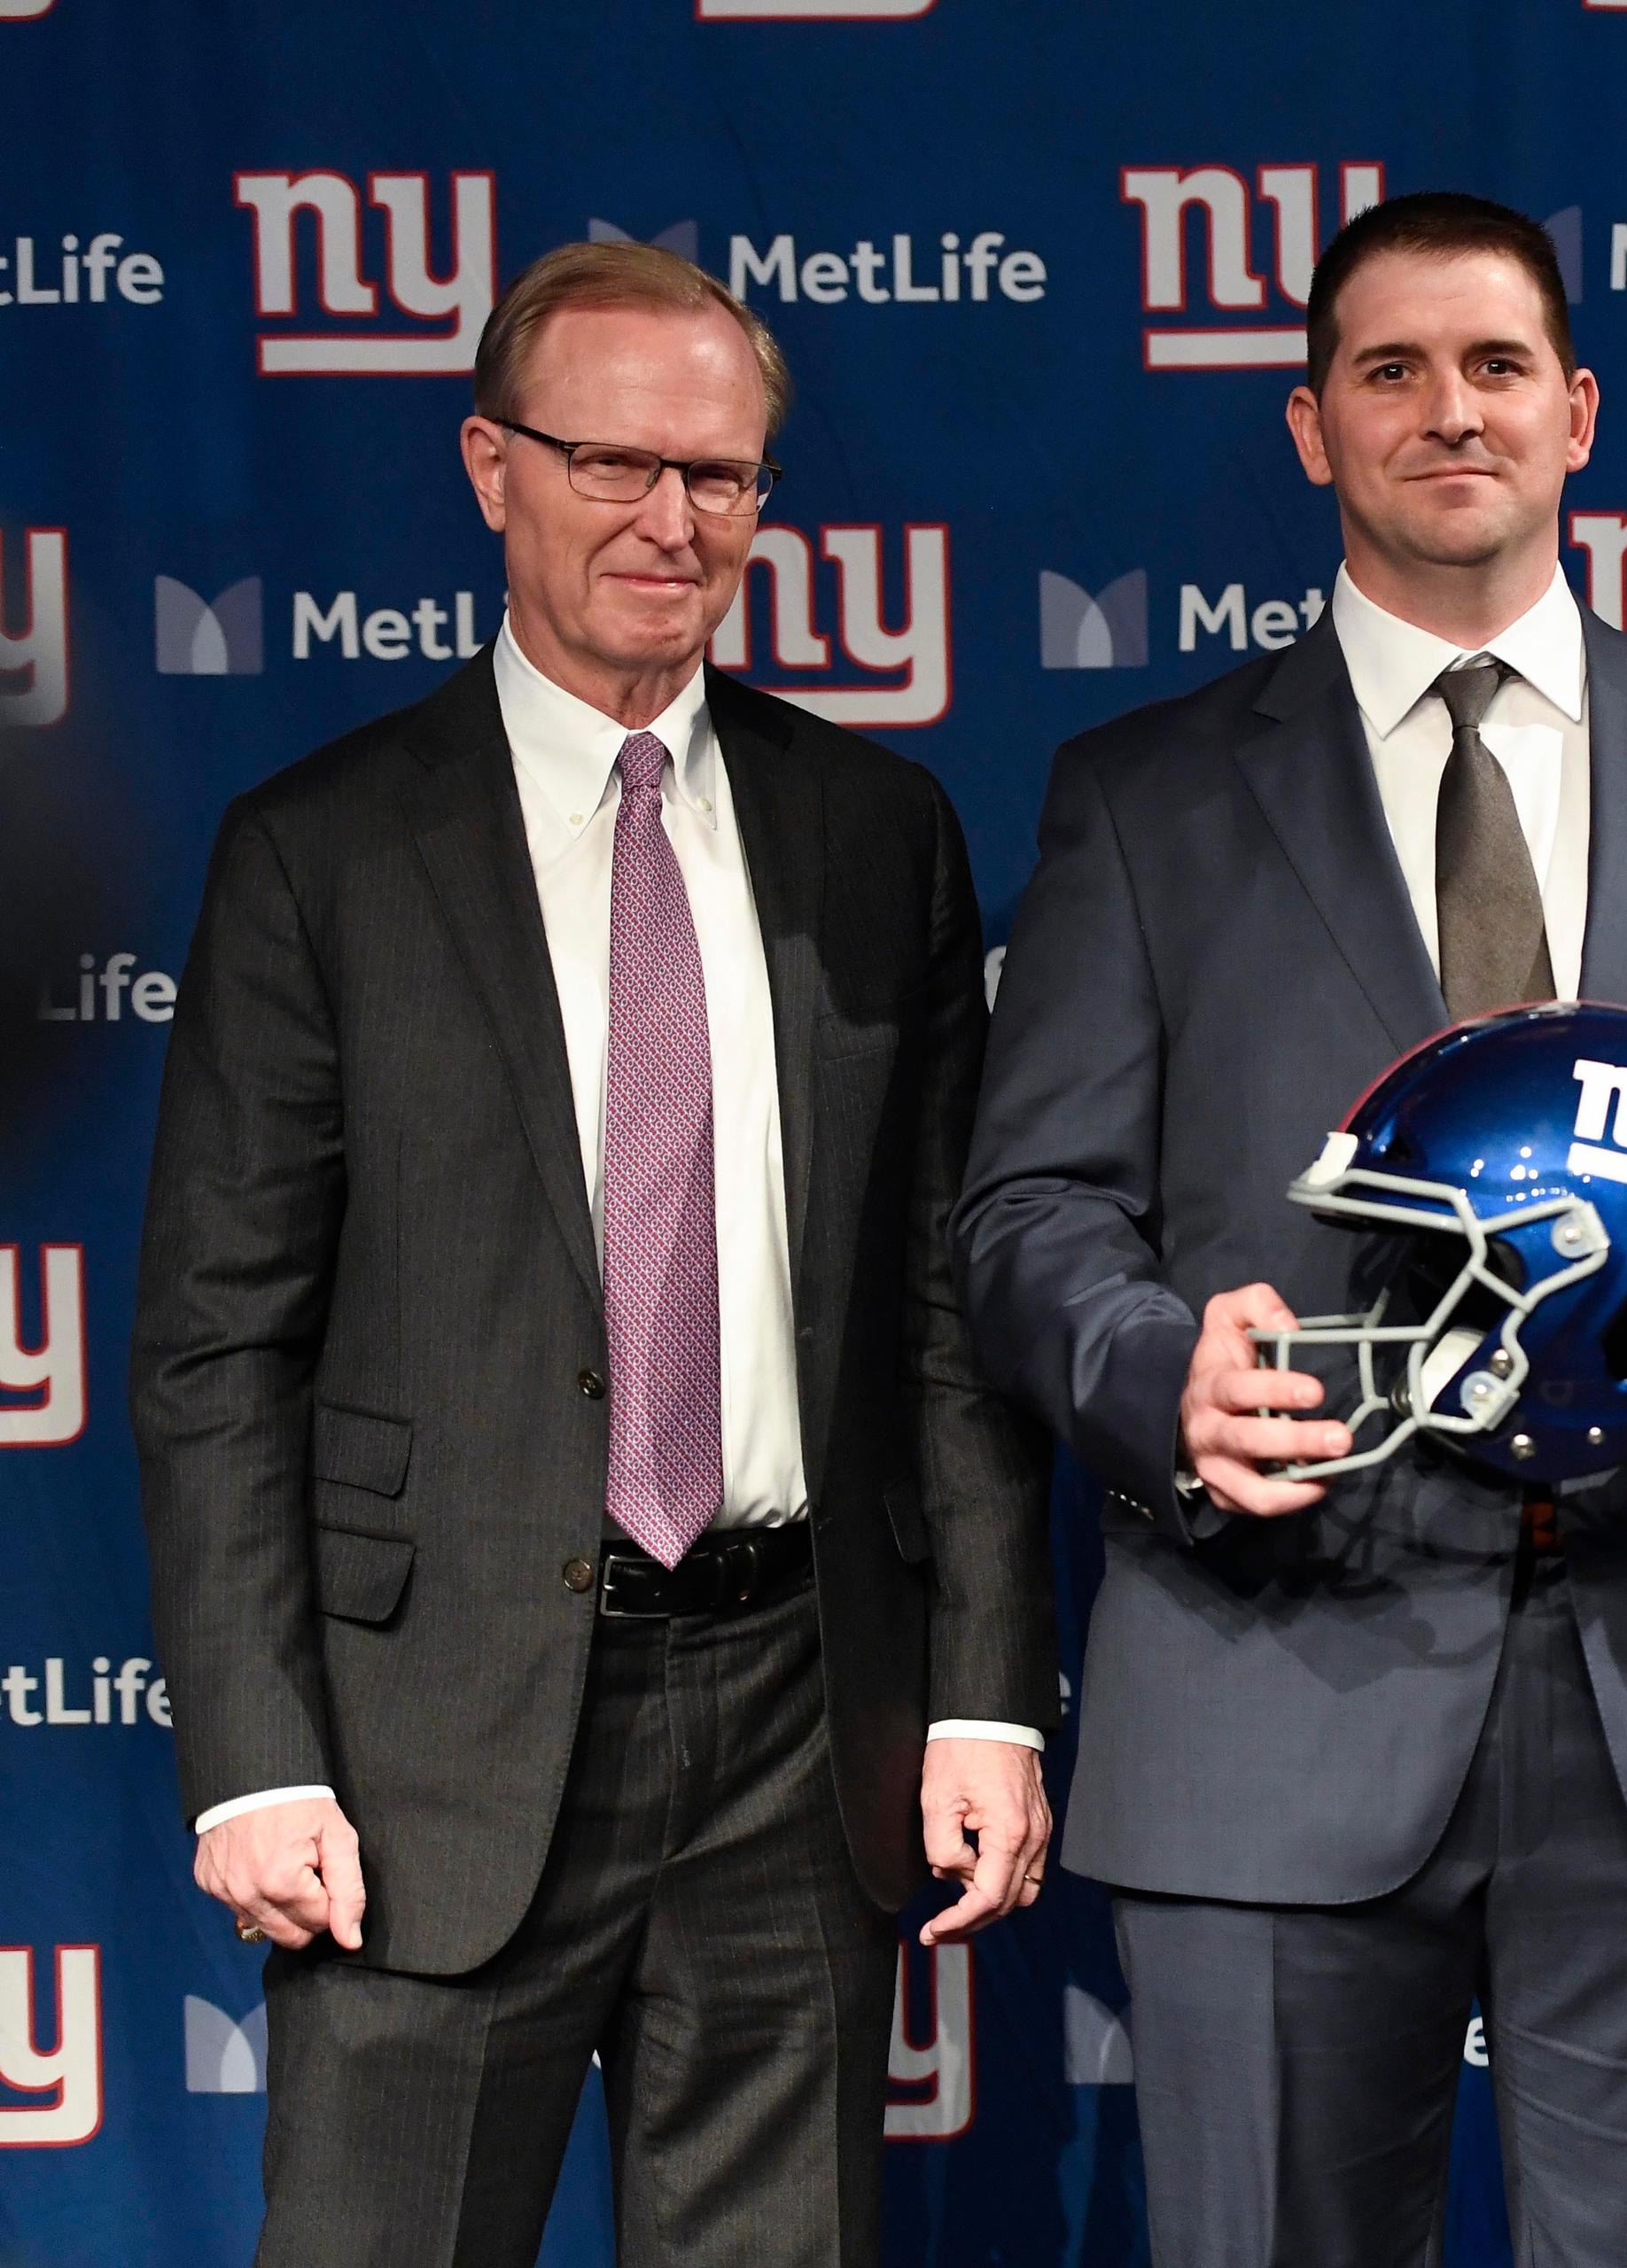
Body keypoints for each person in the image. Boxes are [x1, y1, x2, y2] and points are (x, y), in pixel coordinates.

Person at [952, 193, 1627, 2266]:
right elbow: (1029, 1206)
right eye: (1389, 371)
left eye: (1496, 366)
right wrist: (1159, 1373)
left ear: (1579, 412)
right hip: (1271, 1677)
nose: (1450, 413)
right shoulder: (1141, 795)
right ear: (1311, 427)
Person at [128, 241, 1058, 2267]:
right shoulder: (323, 849)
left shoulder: (876, 829)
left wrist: (989, 1690)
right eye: (615, 463)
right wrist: (256, 1753)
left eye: (720, 478)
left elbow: (939, 1305)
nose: (672, 522)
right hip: (418, 1750)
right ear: (490, 465)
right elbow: (215, 1344)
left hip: (798, 1725)